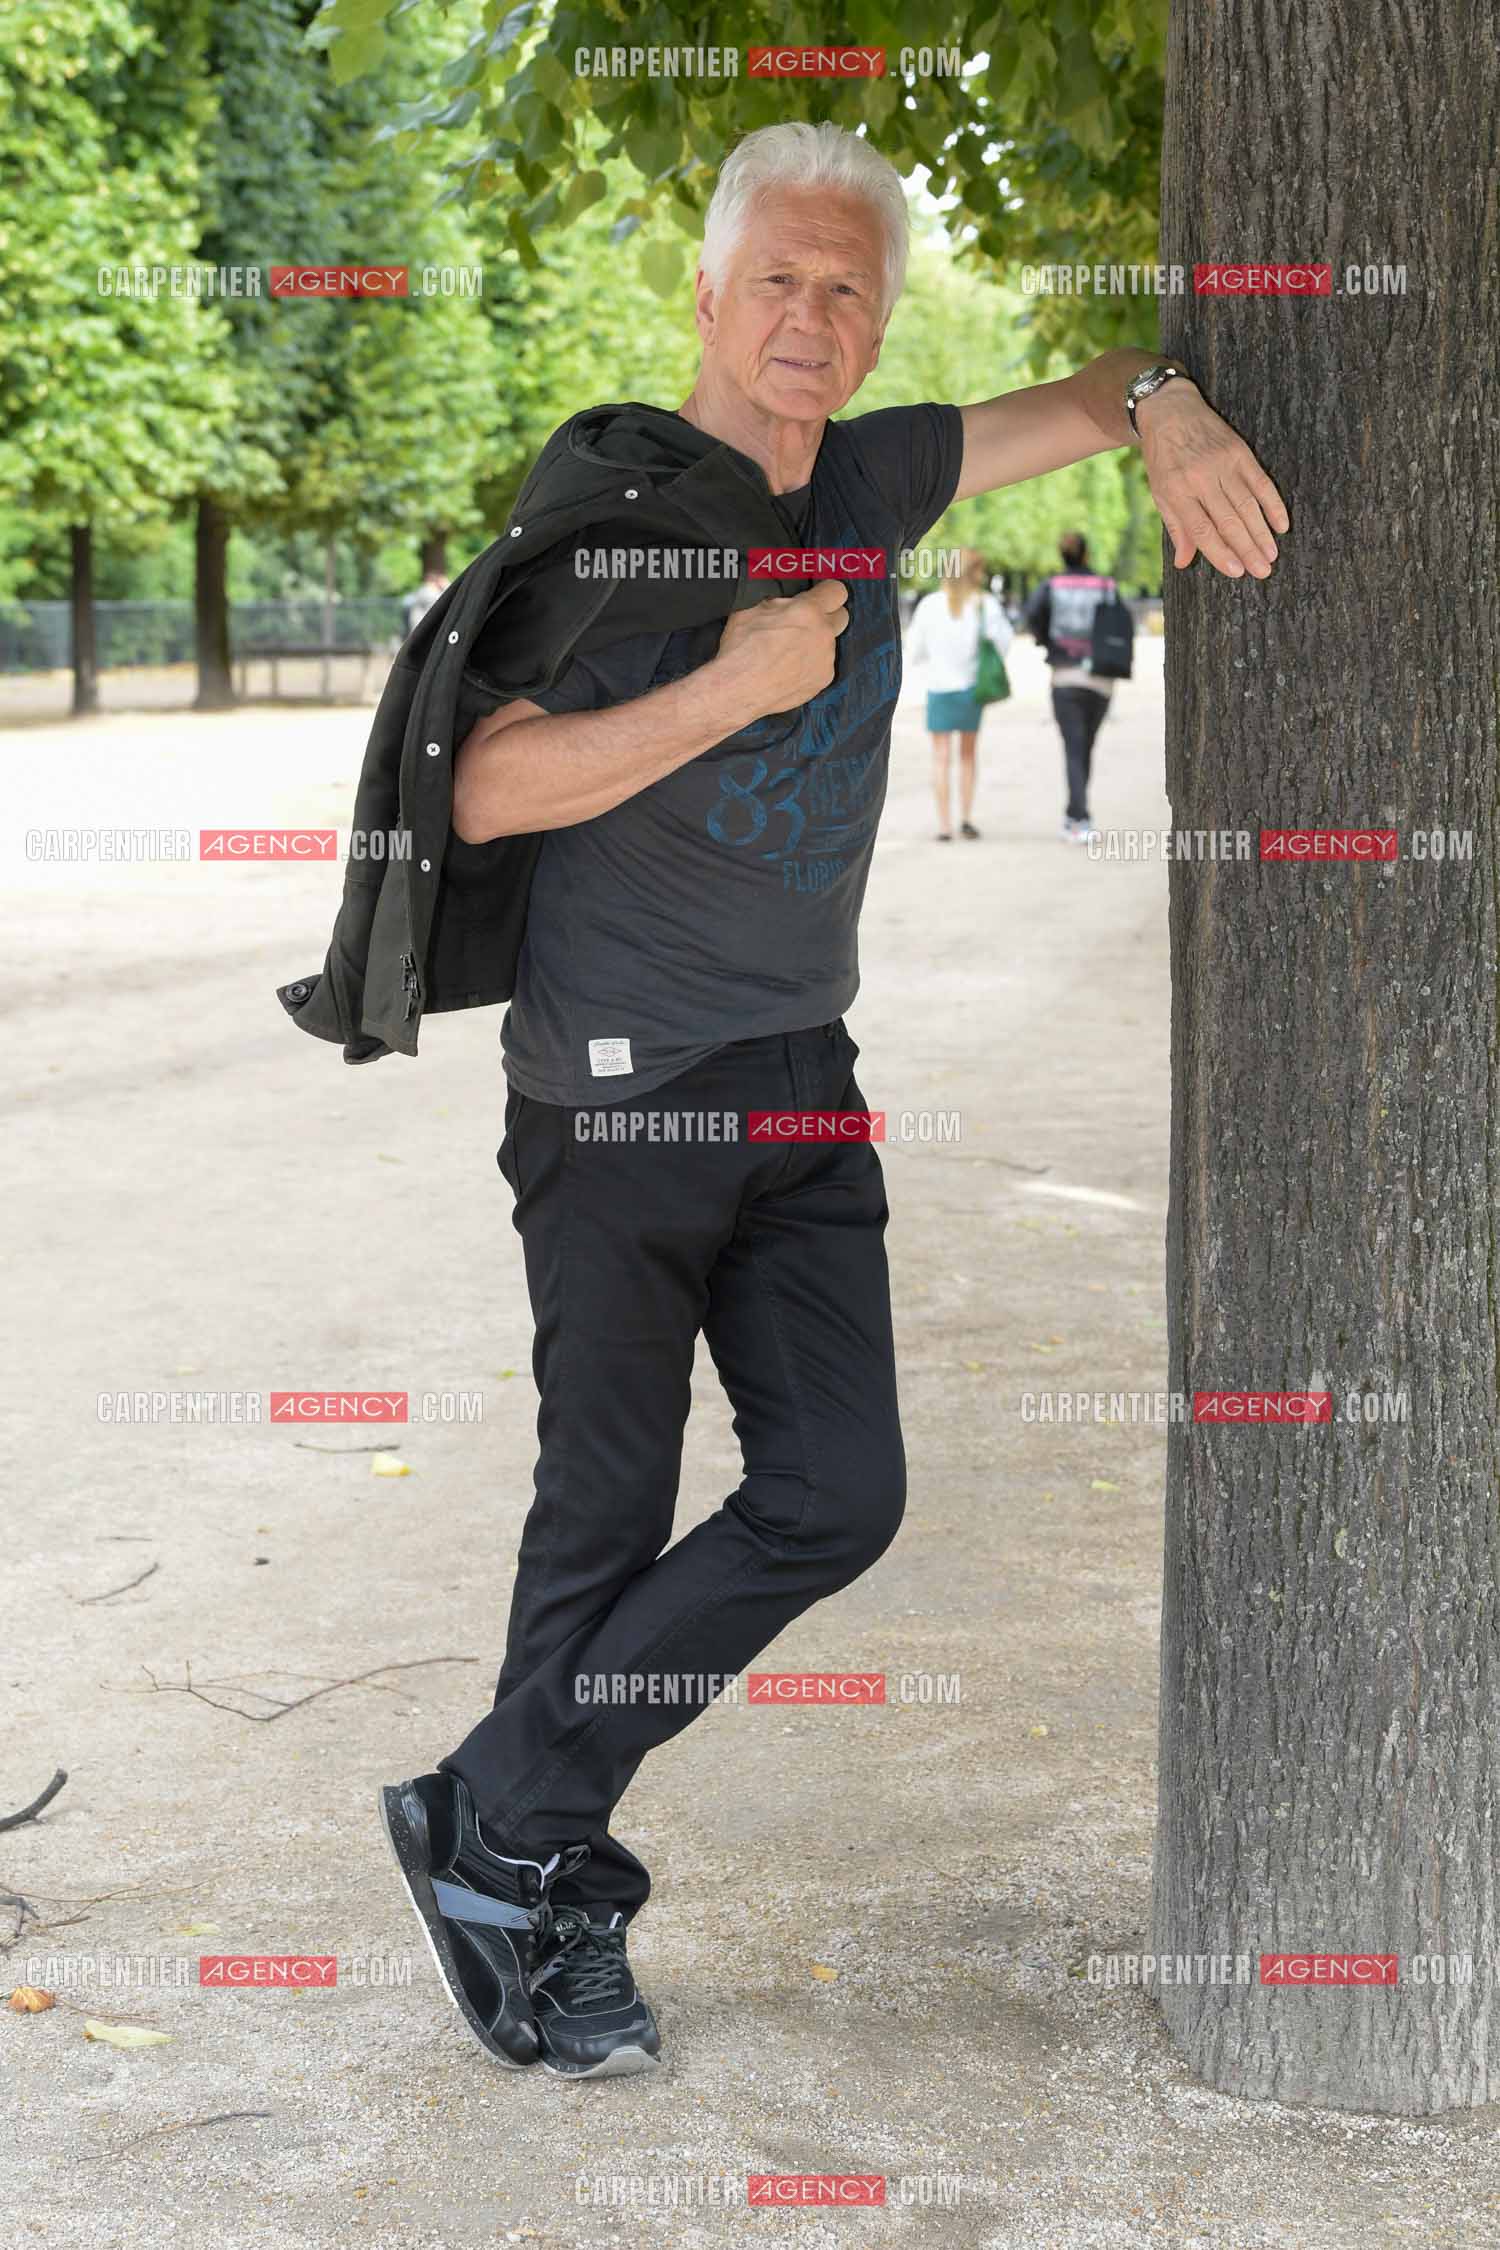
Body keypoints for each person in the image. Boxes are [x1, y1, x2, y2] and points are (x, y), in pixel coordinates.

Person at [361, 121, 1286, 2080]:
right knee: (600, 1524)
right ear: (706, 295)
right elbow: (483, 790)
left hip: (799, 1074)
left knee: (836, 1490)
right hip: (610, 1098)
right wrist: (737, 682)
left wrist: (1172, 407)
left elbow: (1096, 394)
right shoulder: (615, 502)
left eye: (846, 286)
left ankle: (492, 1814)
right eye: (775, 279)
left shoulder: (874, 472)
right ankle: (537, 1885)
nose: (811, 317)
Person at [905, 549, 1012, 840]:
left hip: (939, 688)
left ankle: (943, 825)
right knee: (967, 755)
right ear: (975, 573)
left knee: (940, 757)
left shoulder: (929, 605)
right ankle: (966, 818)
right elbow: (1003, 643)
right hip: (970, 690)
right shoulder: (984, 605)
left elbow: (913, 650)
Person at [1023, 533, 1121, 843]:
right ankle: (1076, 815)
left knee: (1074, 749)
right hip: (1101, 680)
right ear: (1086, 554)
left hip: (1065, 677)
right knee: (1085, 747)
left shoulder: (1051, 586)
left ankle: (1077, 818)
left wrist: (1047, 642)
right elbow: (1120, 625)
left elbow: (1031, 617)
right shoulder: (1106, 586)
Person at [401, 566, 447, 641]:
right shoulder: (427, 590)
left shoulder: (427, 591)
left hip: (423, 627)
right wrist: (446, 586)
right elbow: (443, 601)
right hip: (422, 627)